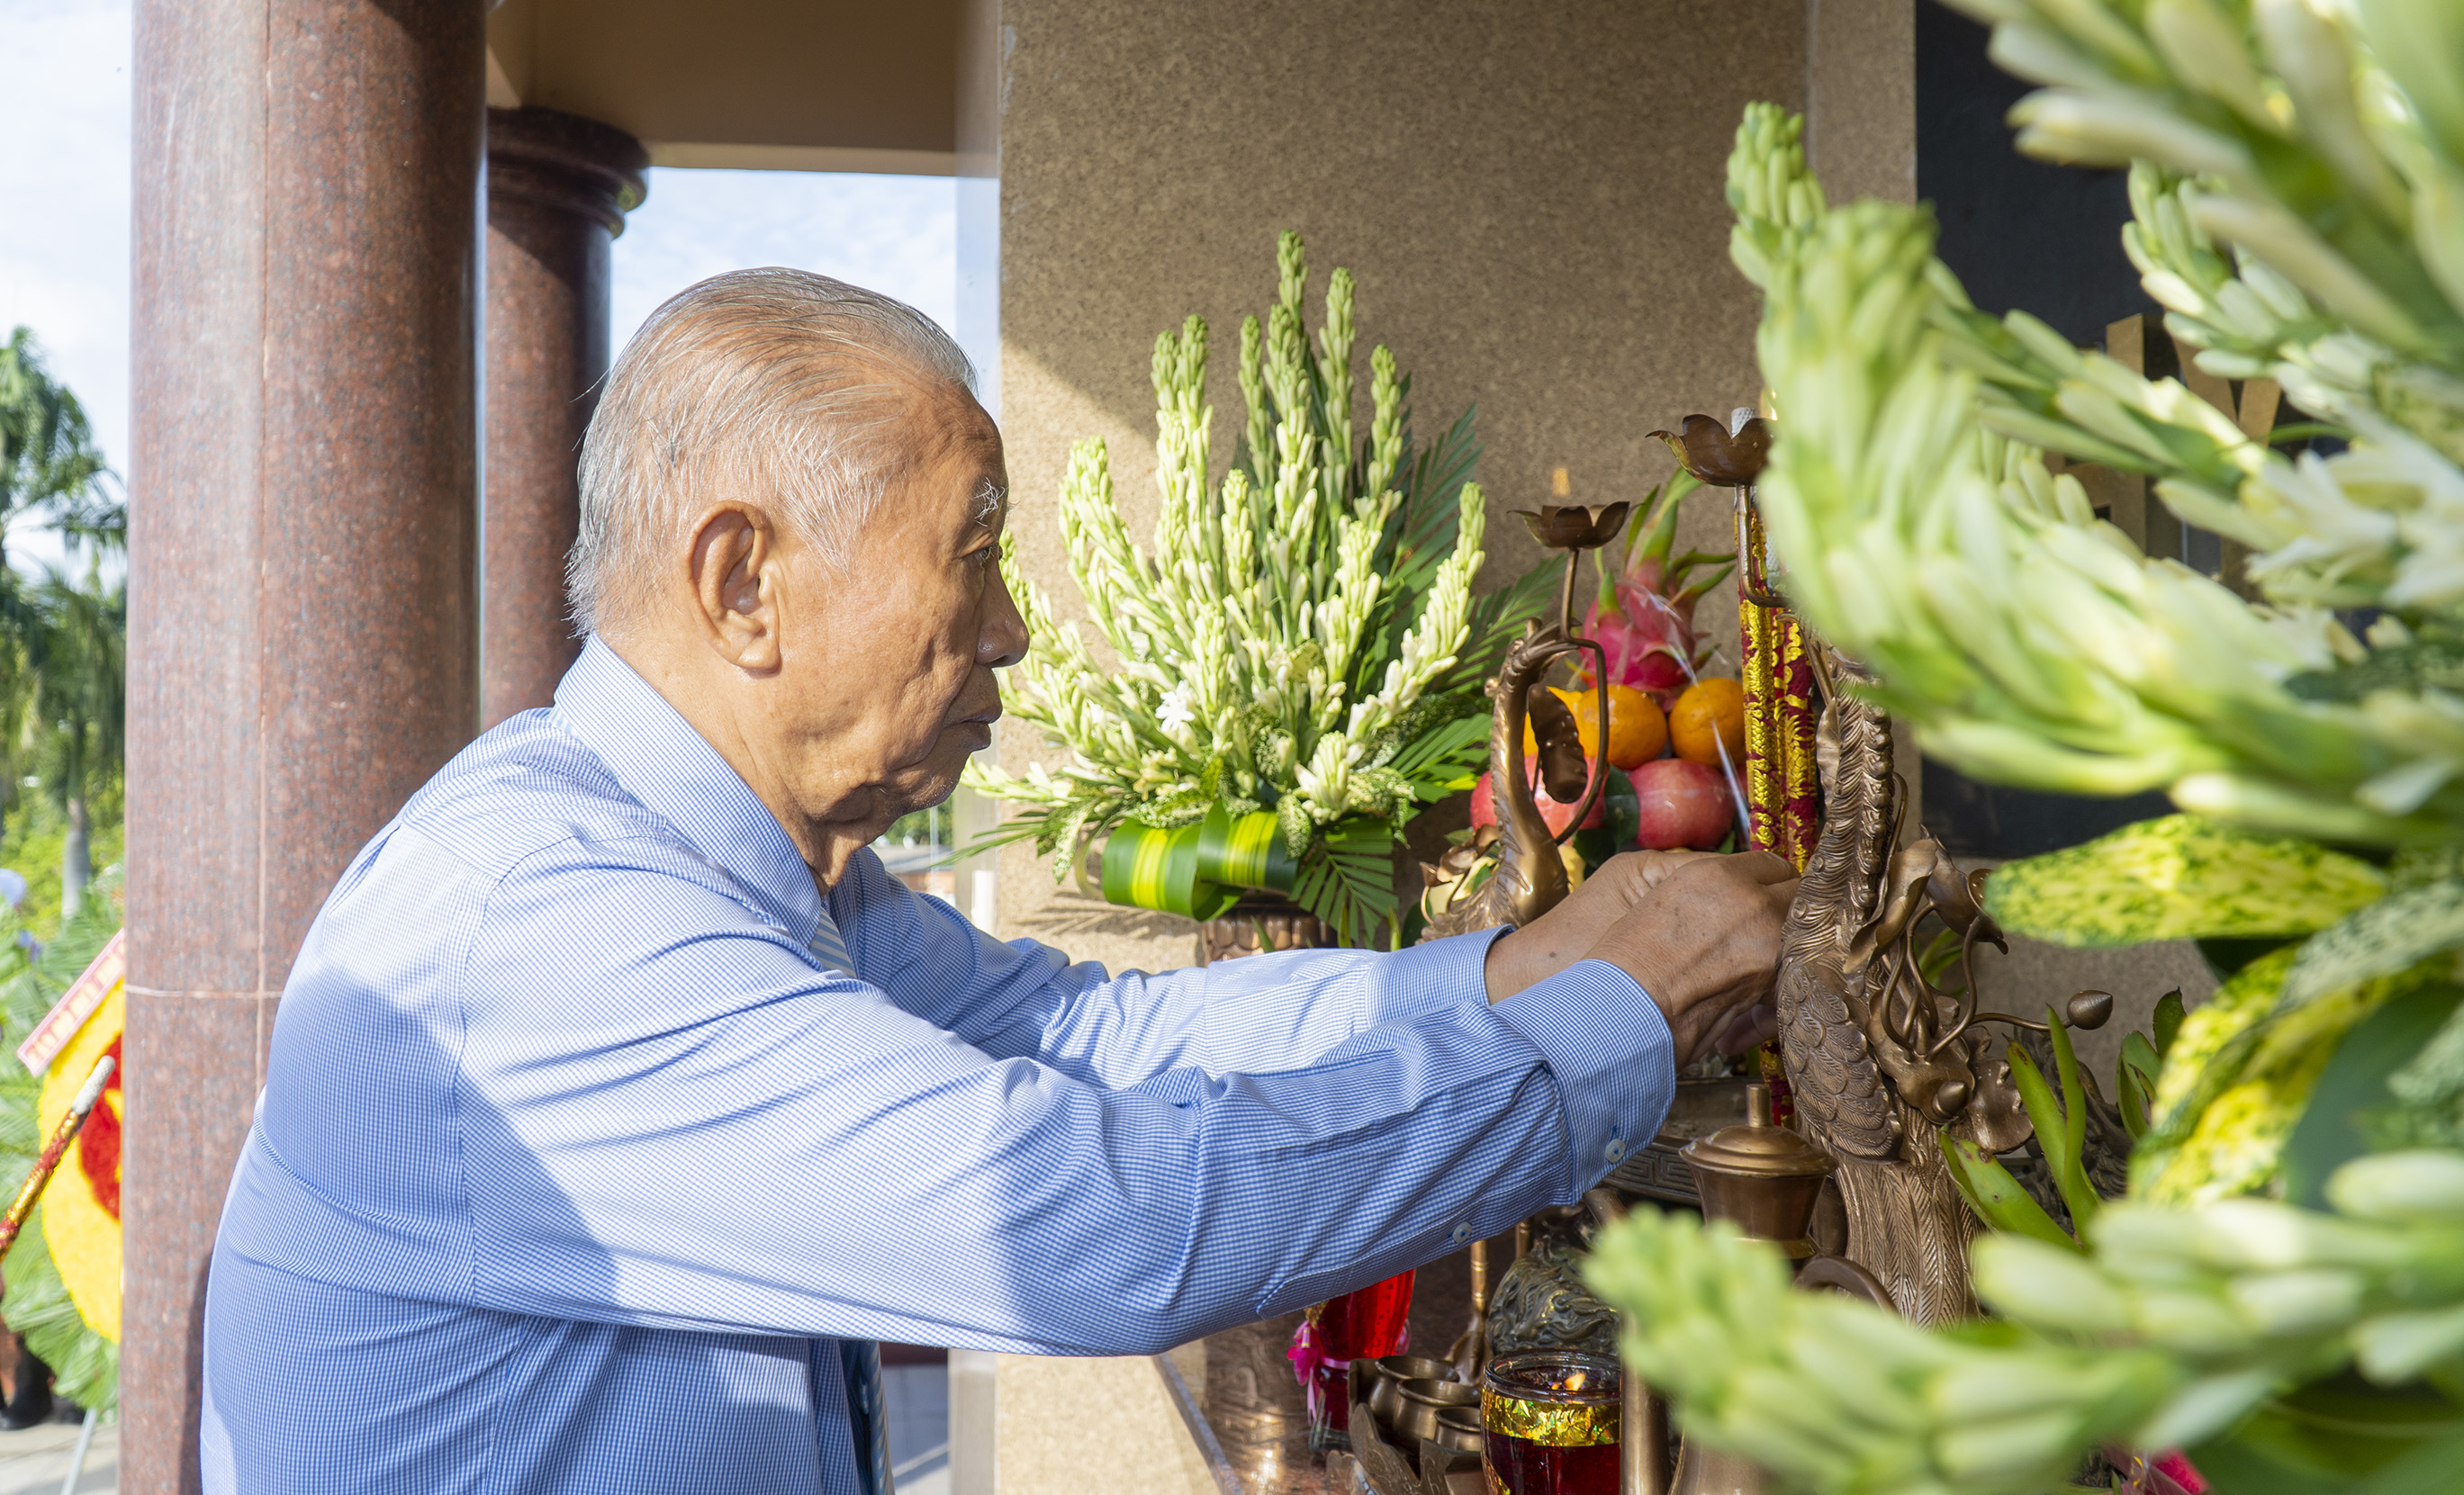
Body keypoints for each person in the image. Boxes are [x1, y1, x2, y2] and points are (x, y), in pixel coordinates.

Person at [200, 269, 1796, 1494]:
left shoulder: (748, 877)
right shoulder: (548, 920)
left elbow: (1091, 1039)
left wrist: (1508, 975)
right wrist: (1608, 1027)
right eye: (973, 553)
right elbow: (1085, 1214)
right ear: (743, 581)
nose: (1017, 629)